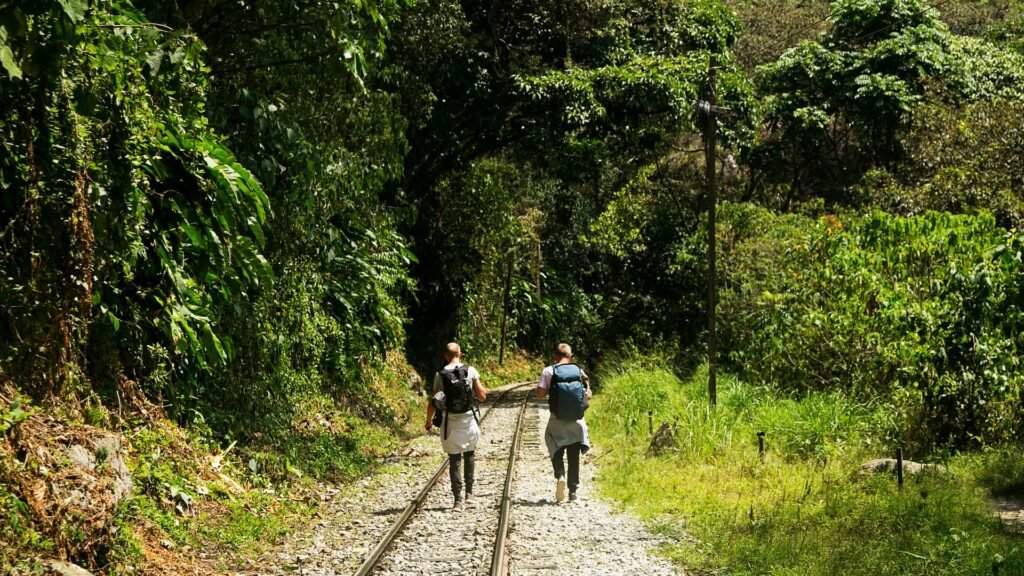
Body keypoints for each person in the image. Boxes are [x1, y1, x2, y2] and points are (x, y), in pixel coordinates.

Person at [425, 342, 487, 510]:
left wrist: (428, 421)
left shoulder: (440, 374)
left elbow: (434, 401)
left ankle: (457, 500)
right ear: (460, 354)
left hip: (449, 423)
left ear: (445, 355)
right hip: (468, 422)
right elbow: (482, 396)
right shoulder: (471, 371)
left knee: (454, 460)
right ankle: (469, 495)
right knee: (469, 455)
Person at [535, 343, 592, 502]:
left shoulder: (549, 370)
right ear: (570, 356)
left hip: (557, 419)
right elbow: (588, 396)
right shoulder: (578, 370)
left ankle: (560, 475)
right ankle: (573, 492)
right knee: (573, 454)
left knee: (553, 443)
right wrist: (587, 384)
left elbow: (539, 394)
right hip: (577, 420)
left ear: (555, 356)